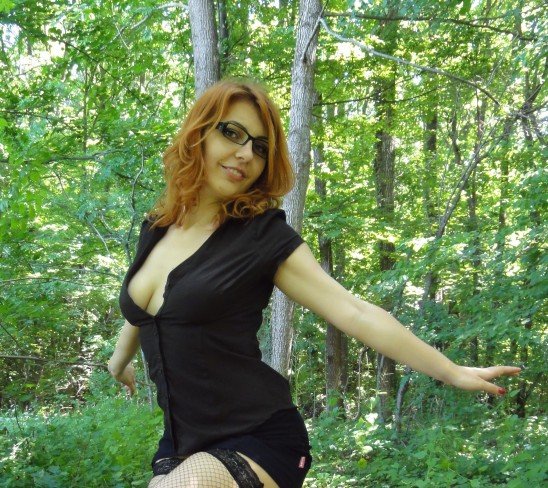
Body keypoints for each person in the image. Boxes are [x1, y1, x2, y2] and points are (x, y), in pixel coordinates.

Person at [108, 80, 520, 488]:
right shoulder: (157, 228)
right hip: (182, 444)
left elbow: (354, 311)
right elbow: (146, 311)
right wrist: (119, 360)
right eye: (232, 133)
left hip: (259, 438)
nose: (246, 153)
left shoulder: (261, 237)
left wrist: (450, 371)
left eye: (260, 147)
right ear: (199, 132)